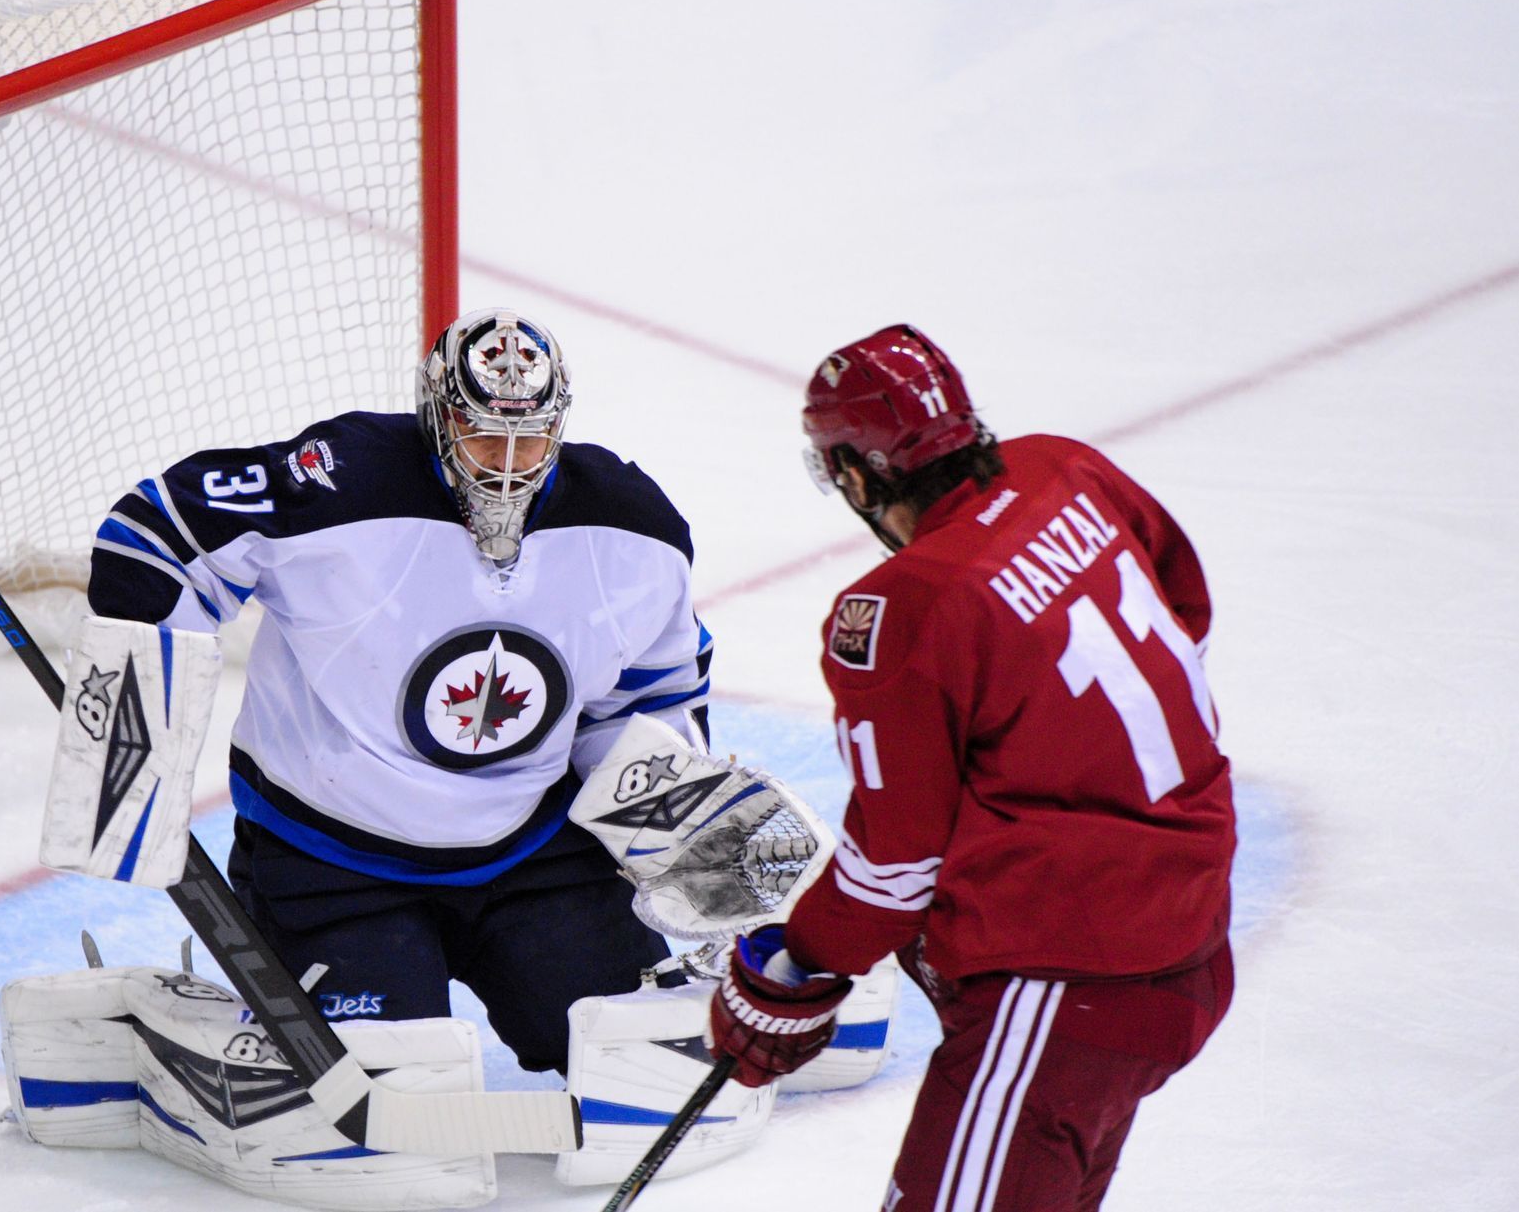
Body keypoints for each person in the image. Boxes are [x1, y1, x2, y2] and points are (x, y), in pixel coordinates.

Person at [81, 308, 712, 1074]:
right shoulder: (342, 481)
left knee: (634, 1056)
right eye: (482, 437)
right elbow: (151, 534)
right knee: (389, 1081)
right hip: (333, 862)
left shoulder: (631, 529)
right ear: (438, 420)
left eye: (530, 439)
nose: (506, 465)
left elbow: (648, 693)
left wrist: (670, 824)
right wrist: (138, 728)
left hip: (533, 854)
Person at [709, 324, 1236, 1211]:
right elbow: (1186, 612)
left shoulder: (903, 604)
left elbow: (893, 869)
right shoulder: (1067, 469)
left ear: (855, 473)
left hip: (1067, 986)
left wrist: (795, 968)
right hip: (1186, 937)